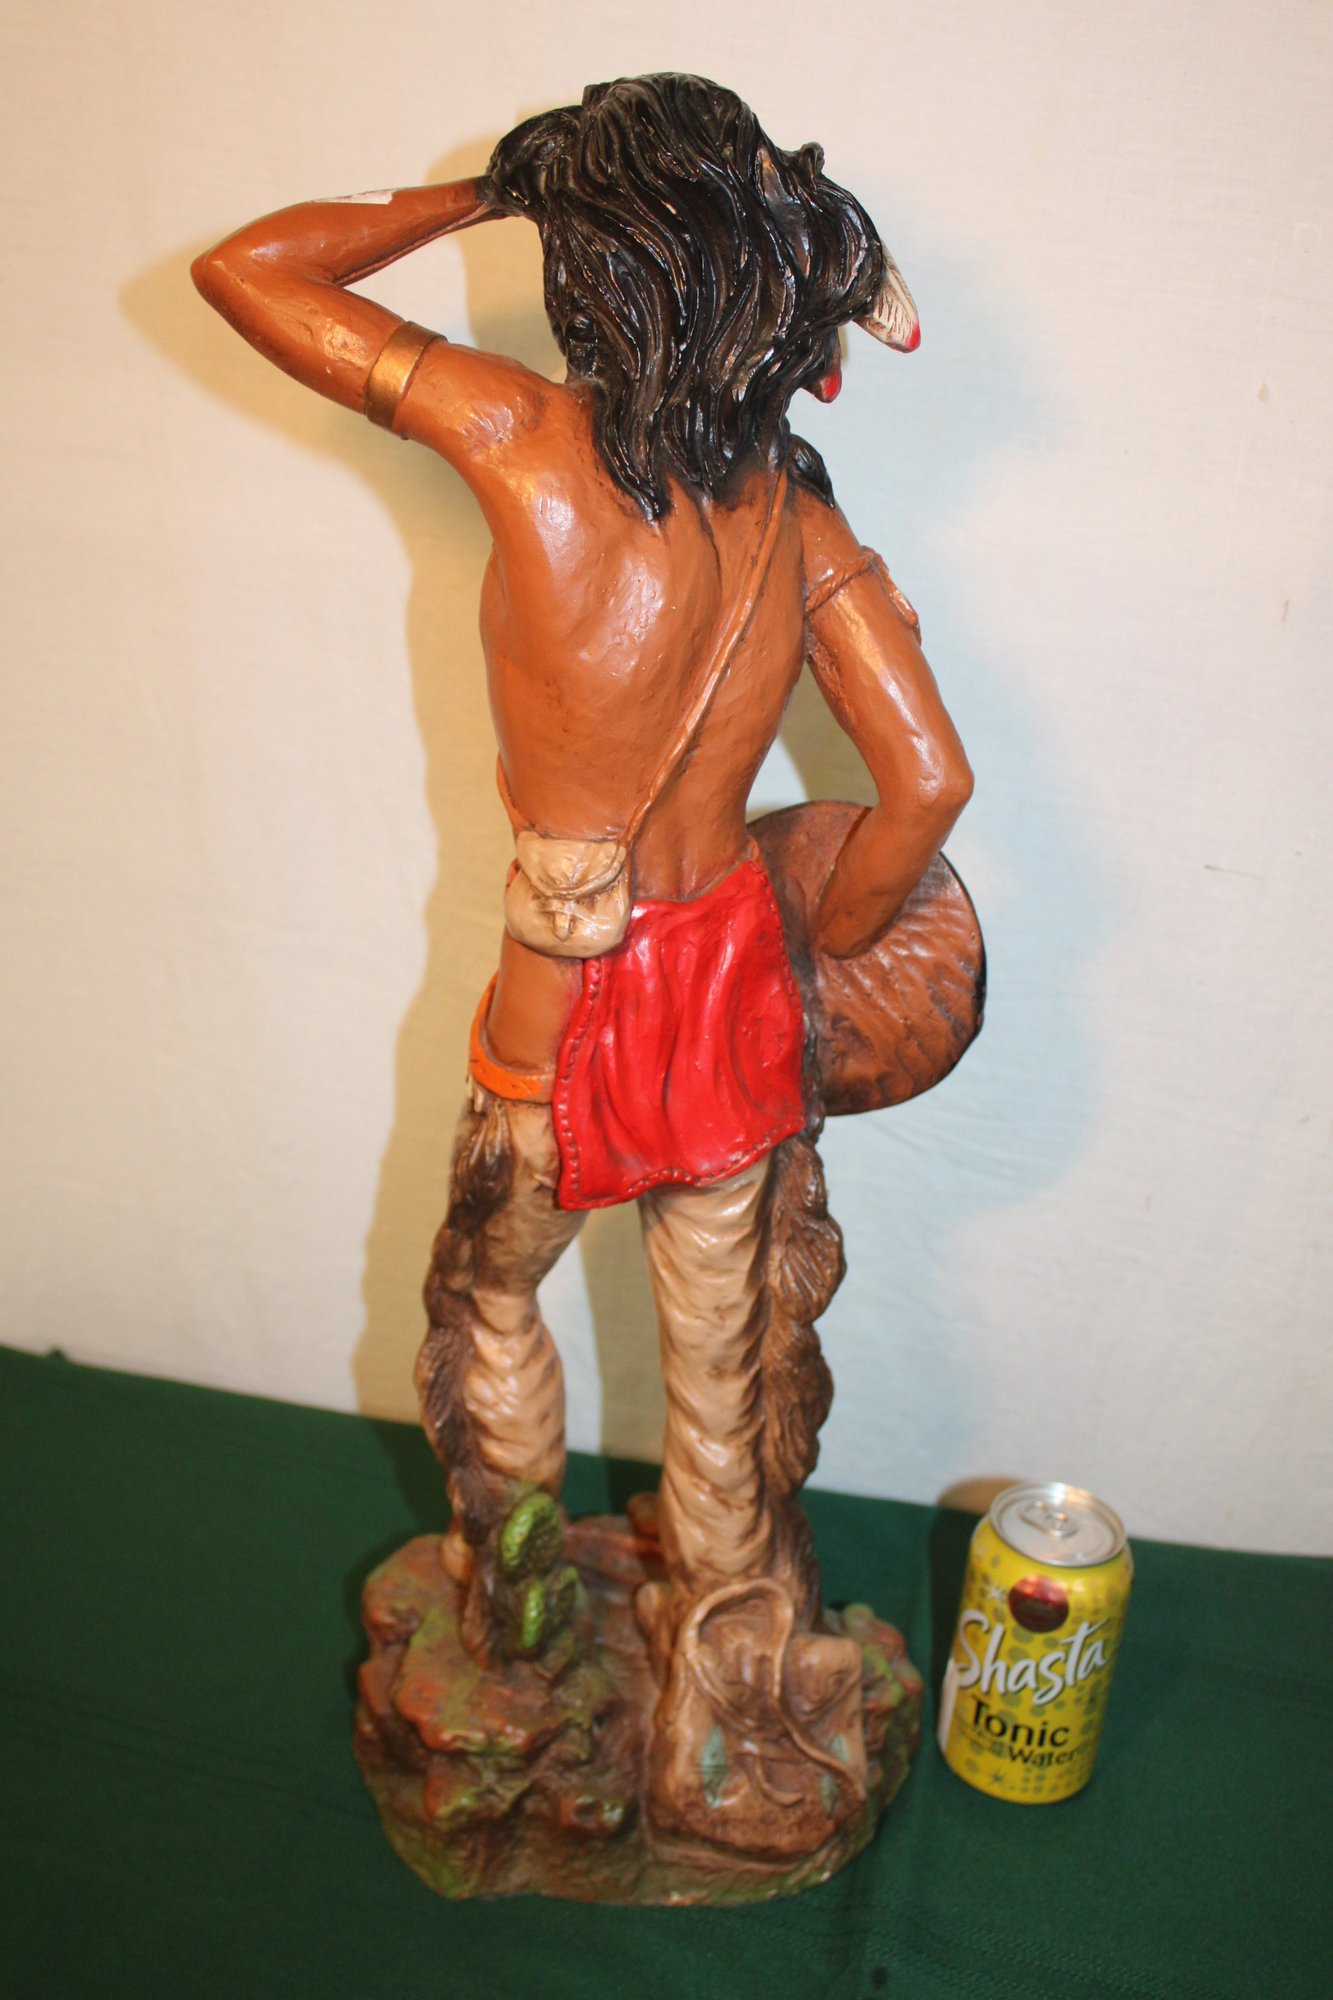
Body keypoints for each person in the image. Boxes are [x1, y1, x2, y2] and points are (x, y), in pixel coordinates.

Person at [195, 74, 971, 1827]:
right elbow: (926, 781)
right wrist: (826, 947)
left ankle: (526, 1625)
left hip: (564, 990)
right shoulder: (799, 516)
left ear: (599, 256)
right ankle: (726, 1710)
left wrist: (487, 191)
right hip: (733, 991)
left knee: (488, 1295)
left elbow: (251, 272)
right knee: (721, 1375)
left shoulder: (522, 440)